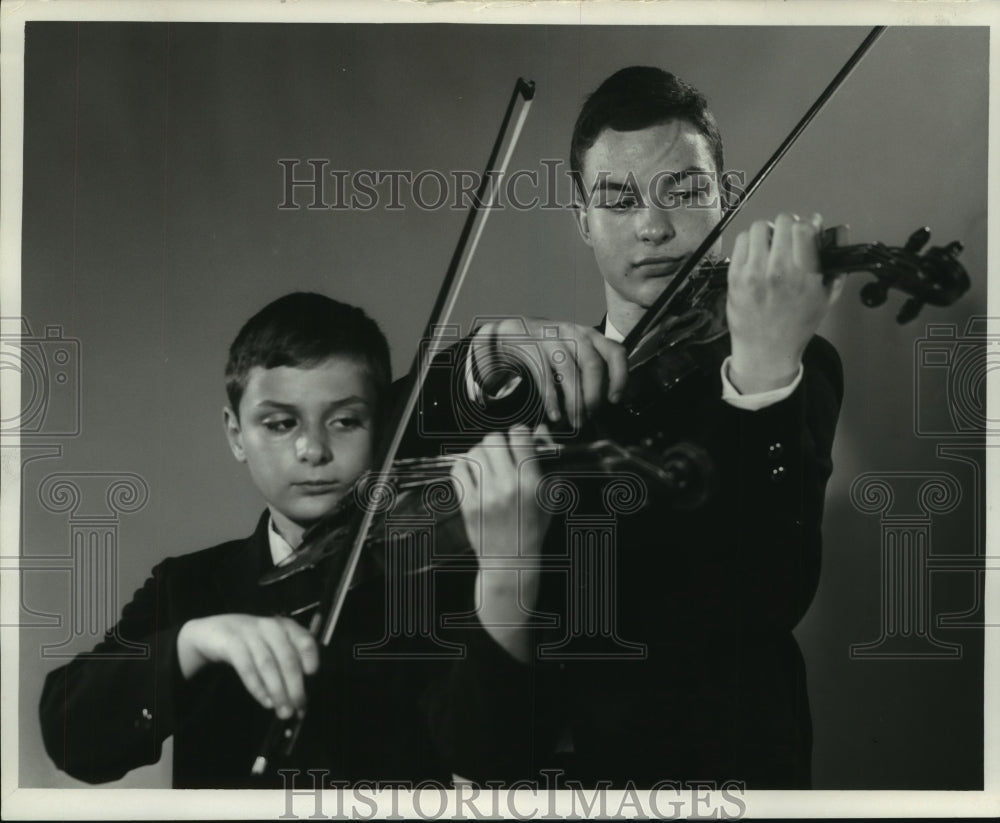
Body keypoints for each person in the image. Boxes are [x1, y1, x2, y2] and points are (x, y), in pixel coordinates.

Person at [426, 66, 846, 789]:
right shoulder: (532, 378)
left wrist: (768, 367)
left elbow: (772, 591)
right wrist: (486, 350)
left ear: (726, 198)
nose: (652, 225)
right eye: (618, 199)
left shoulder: (786, 361)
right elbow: (379, 424)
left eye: (682, 192)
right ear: (583, 219)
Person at [38, 291, 539, 788]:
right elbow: (71, 736)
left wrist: (506, 578)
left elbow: (492, 756)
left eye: (345, 421)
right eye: (280, 424)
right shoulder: (189, 586)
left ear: (383, 428)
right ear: (236, 434)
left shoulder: (432, 581)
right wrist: (194, 642)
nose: (313, 449)